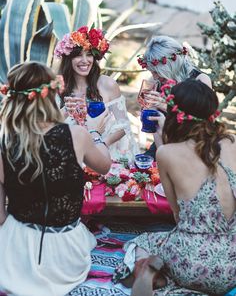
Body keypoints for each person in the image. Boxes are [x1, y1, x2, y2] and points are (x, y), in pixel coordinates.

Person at [113, 79, 236, 295]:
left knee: (143, 241)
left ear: (173, 113)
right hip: (232, 264)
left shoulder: (166, 153)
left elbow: (177, 216)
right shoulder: (231, 142)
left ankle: (151, 272)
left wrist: (161, 137)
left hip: (191, 265)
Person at [0, 62, 111, 296]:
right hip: (66, 255)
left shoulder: (3, 142)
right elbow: (104, 166)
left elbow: (0, 217)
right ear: (51, 94)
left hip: (15, 253)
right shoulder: (77, 135)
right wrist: (96, 133)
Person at [54, 26, 138, 162]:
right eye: (78, 55)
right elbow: (49, 129)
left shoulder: (108, 85)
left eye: (89, 55)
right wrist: (66, 111)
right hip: (71, 156)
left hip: (106, 153)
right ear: (68, 59)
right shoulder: (57, 88)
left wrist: (101, 145)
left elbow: (123, 125)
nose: (85, 60)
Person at [137, 35, 212, 157]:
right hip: (162, 143)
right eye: (152, 72)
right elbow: (154, 127)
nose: (154, 76)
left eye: (156, 72)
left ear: (171, 65)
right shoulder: (157, 82)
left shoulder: (200, 80)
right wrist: (148, 110)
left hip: (193, 148)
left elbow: (201, 125)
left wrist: (164, 105)